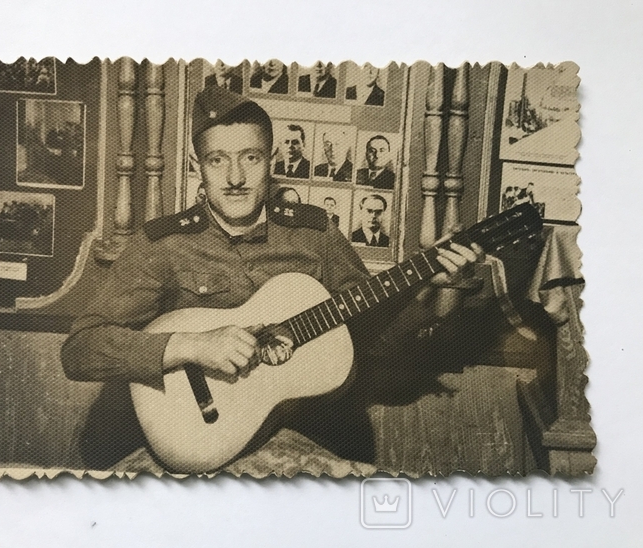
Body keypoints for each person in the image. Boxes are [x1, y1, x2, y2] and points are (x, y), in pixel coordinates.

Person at [60, 85, 481, 469]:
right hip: (193, 435)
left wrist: (422, 289)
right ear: (197, 165)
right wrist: (190, 346)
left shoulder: (316, 235)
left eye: (251, 158)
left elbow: (376, 341)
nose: (236, 178)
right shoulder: (161, 244)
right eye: (217, 160)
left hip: (299, 435)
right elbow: (80, 350)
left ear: (271, 160)